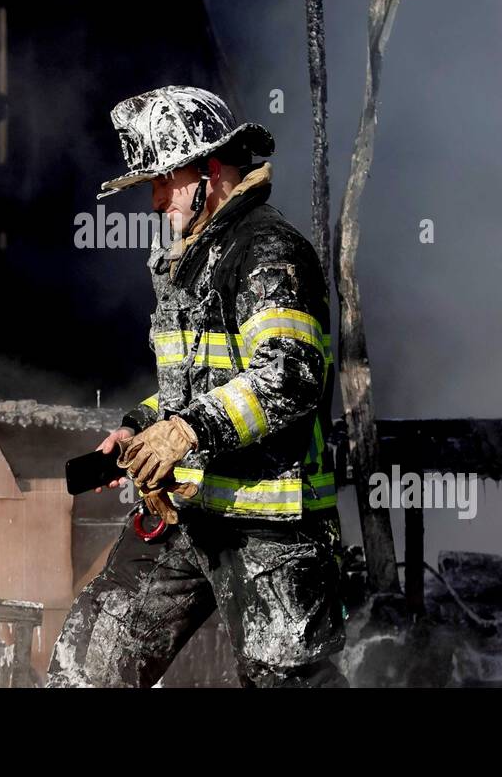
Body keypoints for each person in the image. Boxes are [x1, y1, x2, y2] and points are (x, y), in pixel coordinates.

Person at [46, 86, 349, 688]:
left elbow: (289, 375)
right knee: (90, 667)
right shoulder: (194, 259)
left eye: (164, 181)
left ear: (209, 172)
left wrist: (185, 430)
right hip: (187, 510)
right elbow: (200, 382)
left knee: (287, 680)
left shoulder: (266, 251)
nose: (156, 200)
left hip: (271, 524)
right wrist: (139, 429)